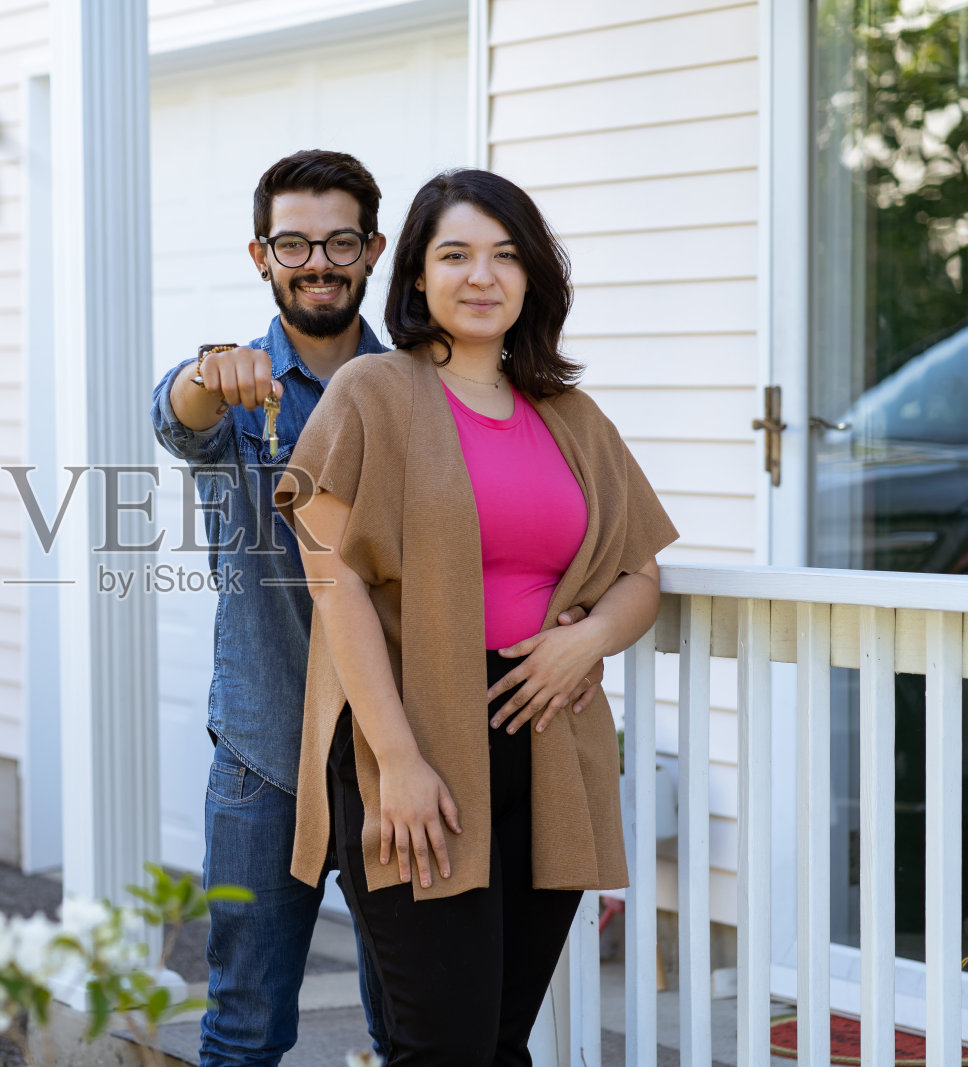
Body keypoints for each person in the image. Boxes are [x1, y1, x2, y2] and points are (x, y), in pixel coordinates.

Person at [151, 152, 606, 1067]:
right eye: (293, 243)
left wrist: (575, 626)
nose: (317, 260)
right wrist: (209, 369)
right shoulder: (238, 381)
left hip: (397, 747)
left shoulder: (415, 386)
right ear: (261, 254)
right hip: (268, 751)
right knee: (243, 1027)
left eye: (340, 240)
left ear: (373, 249)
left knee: (405, 1021)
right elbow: (177, 415)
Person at [275, 168, 679, 1066]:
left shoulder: (570, 414)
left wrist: (587, 640)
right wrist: (399, 760)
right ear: (416, 275)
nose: (481, 276)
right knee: (442, 1045)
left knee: (498, 1039)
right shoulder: (372, 392)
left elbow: (640, 573)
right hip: (415, 735)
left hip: (550, 745)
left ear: (533, 275)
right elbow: (330, 575)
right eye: (454, 254)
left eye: (504, 255)